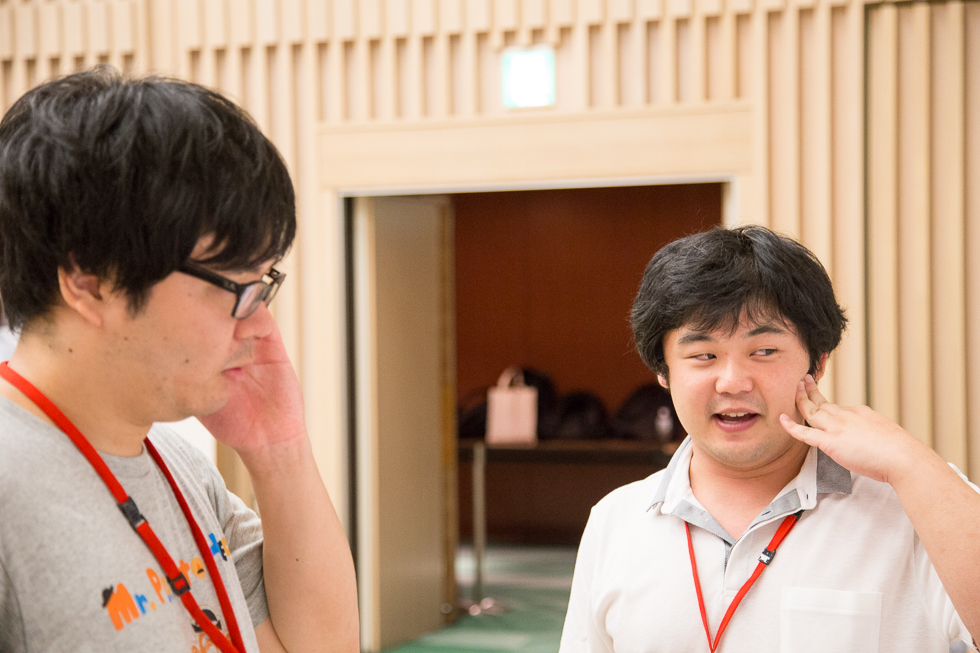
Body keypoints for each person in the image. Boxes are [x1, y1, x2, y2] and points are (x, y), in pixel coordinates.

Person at [0, 68, 359, 652]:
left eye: (262, 285)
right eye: (234, 285)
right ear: (90, 282)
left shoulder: (175, 462)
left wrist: (279, 451)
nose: (260, 324)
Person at [559, 225, 979, 652]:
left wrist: (909, 461)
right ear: (663, 372)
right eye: (703, 355)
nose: (732, 382)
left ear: (817, 362)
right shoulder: (615, 520)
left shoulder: (916, 505)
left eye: (764, 351)